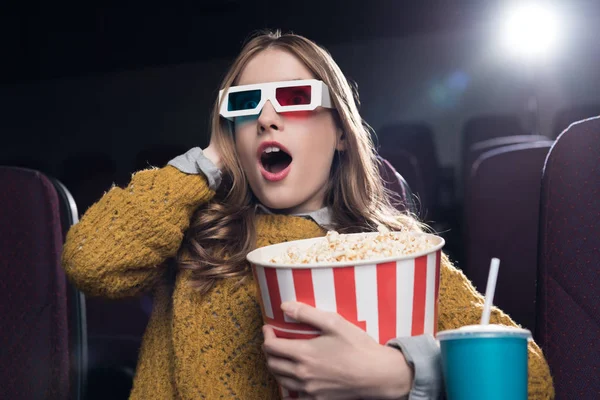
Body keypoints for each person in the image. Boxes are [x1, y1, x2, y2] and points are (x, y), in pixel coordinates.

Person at [62, 31, 554, 399]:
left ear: (340, 130)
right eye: (247, 103)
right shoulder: (197, 231)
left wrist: (401, 375)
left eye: (296, 98)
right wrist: (212, 157)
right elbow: (90, 261)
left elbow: (530, 380)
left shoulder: (396, 251)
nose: (267, 117)